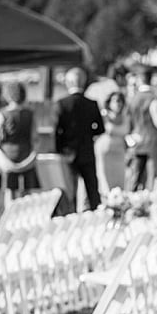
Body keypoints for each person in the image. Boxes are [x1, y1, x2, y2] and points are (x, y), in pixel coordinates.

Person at [54, 67, 106, 212]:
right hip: (87, 150)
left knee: (70, 190)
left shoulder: (62, 104)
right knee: (92, 189)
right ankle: (96, 214)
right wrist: (89, 134)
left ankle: (70, 216)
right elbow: (100, 128)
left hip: (68, 151)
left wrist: (60, 149)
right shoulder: (91, 104)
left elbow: (57, 131)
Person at [0, 81, 39, 200]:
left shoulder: (3, 113)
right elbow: (35, 138)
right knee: (26, 193)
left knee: (9, 191)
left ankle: (9, 216)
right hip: (26, 153)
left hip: (7, 154)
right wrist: (32, 157)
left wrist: (2, 158)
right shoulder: (30, 113)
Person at [94, 91, 130, 192]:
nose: (118, 104)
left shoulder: (126, 117)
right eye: (116, 101)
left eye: (120, 101)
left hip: (119, 152)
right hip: (105, 151)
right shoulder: (103, 116)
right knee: (105, 182)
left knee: (119, 182)